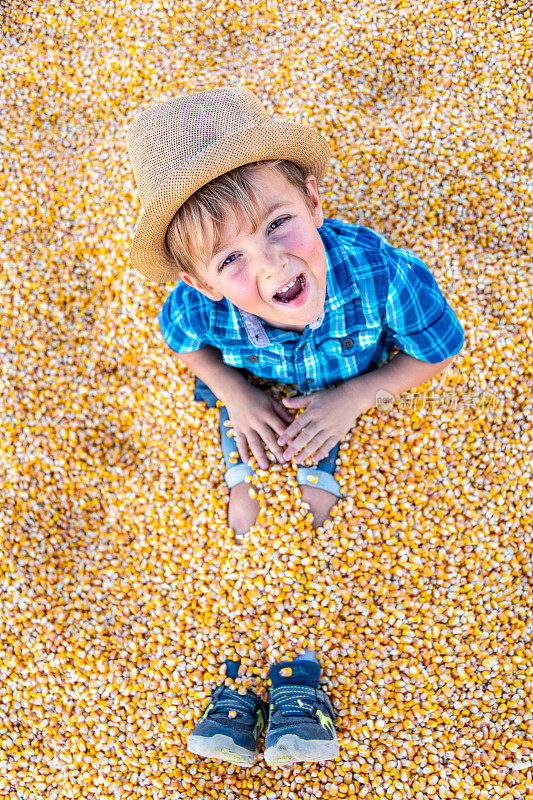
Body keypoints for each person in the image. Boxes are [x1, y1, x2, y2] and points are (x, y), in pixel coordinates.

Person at [125, 86, 464, 767]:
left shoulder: (382, 276)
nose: (271, 264)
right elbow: (181, 342)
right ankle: (244, 642)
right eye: (229, 260)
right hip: (256, 389)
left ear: (312, 201)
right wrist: (234, 393)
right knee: (245, 515)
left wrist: (358, 395)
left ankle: (302, 657)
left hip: (340, 384)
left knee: (315, 506)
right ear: (200, 282)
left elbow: (439, 347)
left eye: (277, 223)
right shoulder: (201, 311)